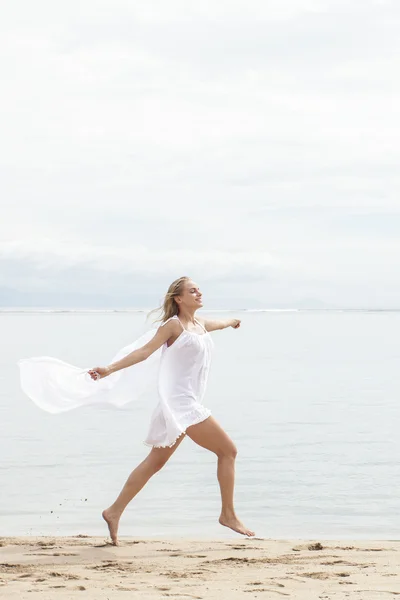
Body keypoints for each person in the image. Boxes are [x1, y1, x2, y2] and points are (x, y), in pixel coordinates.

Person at [88, 276, 255, 544]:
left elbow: (221, 323)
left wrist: (233, 321)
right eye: (192, 290)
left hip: (183, 404)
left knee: (155, 462)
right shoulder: (173, 326)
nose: (199, 292)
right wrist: (109, 369)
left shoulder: (200, 324)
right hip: (182, 404)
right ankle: (228, 515)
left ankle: (114, 511)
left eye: (199, 289)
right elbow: (144, 352)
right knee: (228, 451)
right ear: (178, 298)